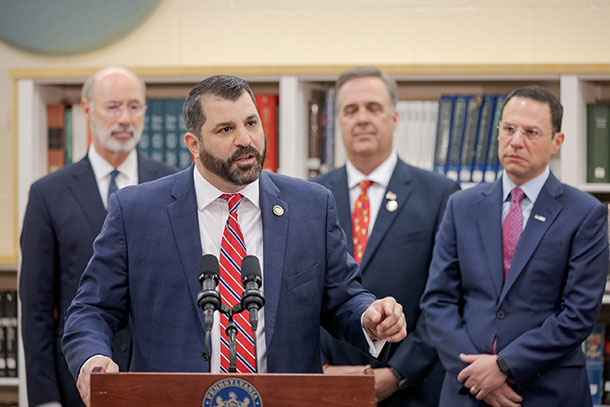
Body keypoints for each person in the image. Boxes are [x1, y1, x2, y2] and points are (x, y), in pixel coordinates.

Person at [61, 74, 407, 406]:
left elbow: (342, 299)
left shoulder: (311, 206)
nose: (245, 139)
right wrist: (93, 360)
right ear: (193, 145)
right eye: (226, 129)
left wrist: (368, 317)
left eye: (251, 123)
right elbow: (93, 308)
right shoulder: (137, 212)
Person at [421, 85, 609, 407]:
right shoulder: (461, 206)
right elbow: (438, 302)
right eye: (509, 129)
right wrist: (477, 374)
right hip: (468, 390)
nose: (516, 141)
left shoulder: (585, 214)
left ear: (557, 142)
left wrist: (503, 367)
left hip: (548, 391)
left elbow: (578, 315)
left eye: (531, 132)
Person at [19, 66, 176, 407]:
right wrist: (45, 399)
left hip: (156, 382)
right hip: (77, 383)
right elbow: (36, 311)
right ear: (87, 109)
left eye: (134, 106)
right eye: (113, 106)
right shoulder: (49, 194)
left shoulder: (173, 186)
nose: (125, 118)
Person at [312, 66, 459, 406]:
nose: (362, 118)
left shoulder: (439, 195)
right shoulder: (310, 197)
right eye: (351, 110)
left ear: (394, 118)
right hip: (323, 388)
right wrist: (319, 369)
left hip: (412, 391)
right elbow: (298, 293)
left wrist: (398, 374)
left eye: (373, 108)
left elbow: (448, 299)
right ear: (338, 122)